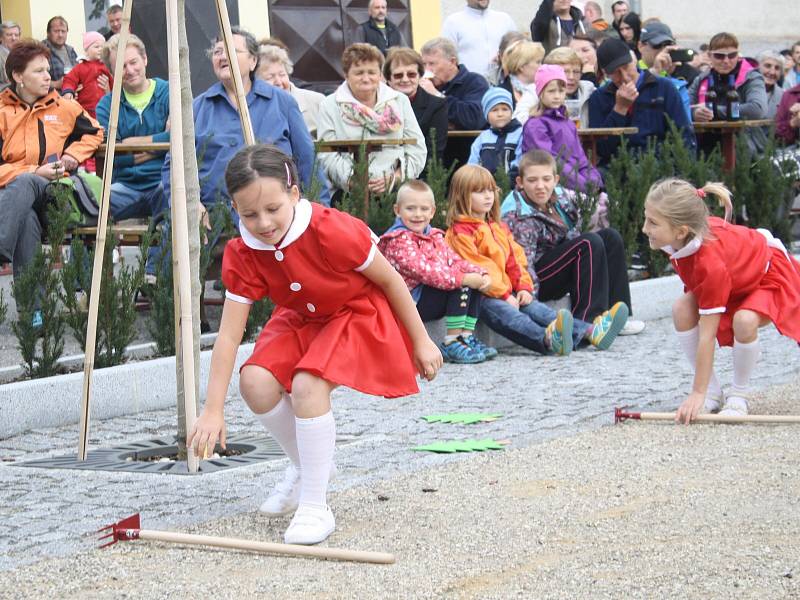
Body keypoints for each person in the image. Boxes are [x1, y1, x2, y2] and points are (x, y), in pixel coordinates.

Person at [188, 144, 442, 545]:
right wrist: (212, 410)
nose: (263, 223)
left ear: (294, 194)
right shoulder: (242, 251)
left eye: (273, 208)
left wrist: (422, 341)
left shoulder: (331, 229)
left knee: (308, 384)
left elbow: (390, 280)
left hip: (354, 310)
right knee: (254, 382)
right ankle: (306, 466)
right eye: (249, 214)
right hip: (301, 317)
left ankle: (315, 504)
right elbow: (228, 335)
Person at [641, 178, 800, 423]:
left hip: (766, 276)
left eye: (652, 222)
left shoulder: (710, 262)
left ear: (681, 231)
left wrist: (696, 391)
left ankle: (738, 395)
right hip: (736, 279)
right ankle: (713, 393)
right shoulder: (678, 238)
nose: (644, 228)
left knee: (744, 321)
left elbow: (707, 334)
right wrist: (703, 393)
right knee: (681, 308)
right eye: (646, 218)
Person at [445, 164, 627, 355]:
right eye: (479, 192)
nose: (488, 196)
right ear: (462, 195)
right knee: (513, 318)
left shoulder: (496, 227)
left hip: (507, 291)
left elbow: (516, 259)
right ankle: (547, 339)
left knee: (539, 310)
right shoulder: (460, 232)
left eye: (491, 190)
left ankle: (591, 331)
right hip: (480, 296)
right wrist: (505, 295)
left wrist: (523, 286)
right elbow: (481, 269)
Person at [163, 27, 325, 212]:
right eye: (217, 52)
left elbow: (308, 162)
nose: (223, 56)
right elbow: (173, 166)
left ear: (253, 61)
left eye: (232, 50)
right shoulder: (197, 109)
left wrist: (317, 211)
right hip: (214, 219)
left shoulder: (282, 103)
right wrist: (191, 207)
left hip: (276, 218)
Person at [0, 40, 103, 324]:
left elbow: (95, 132)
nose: (48, 76)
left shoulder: (63, 105)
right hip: (16, 203)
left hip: (56, 197)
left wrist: (72, 155)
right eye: (39, 71)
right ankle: (35, 313)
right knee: (26, 216)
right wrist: (34, 170)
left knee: (27, 185)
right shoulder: (1, 111)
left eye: (48, 69)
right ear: (18, 77)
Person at [502, 150, 643, 335]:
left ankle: (616, 315)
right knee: (587, 243)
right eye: (532, 180)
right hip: (534, 279)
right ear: (520, 182)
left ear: (556, 179)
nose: (540, 186)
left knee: (610, 237)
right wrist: (532, 306)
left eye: (546, 179)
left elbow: (573, 232)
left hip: (556, 265)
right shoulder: (518, 216)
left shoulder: (559, 197)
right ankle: (587, 323)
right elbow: (523, 266)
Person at [378, 180, 495, 363]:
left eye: (424, 209)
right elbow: (427, 272)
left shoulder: (433, 236)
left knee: (474, 283)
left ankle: (465, 337)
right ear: (397, 210)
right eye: (410, 209)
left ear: (432, 211)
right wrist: (464, 278)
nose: (418, 215)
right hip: (410, 304)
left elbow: (453, 260)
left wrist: (481, 273)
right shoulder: (398, 241)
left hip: (427, 296)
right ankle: (452, 342)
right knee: (462, 284)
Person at [316, 43, 426, 199]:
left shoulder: (399, 101)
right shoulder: (329, 105)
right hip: (348, 192)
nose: (366, 78)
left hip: (396, 191)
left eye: (372, 72)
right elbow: (326, 154)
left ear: (380, 74)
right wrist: (355, 181)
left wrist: (396, 177)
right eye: (359, 72)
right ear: (346, 75)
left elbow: (417, 148)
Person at [96, 34, 170, 228]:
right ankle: (96, 259)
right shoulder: (106, 106)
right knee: (93, 206)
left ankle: (159, 259)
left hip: (163, 180)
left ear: (145, 59)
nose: (129, 70)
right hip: (125, 186)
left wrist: (129, 144)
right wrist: (160, 145)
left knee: (173, 197)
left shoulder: (169, 92)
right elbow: (113, 156)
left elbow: (178, 139)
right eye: (121, 66)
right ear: (112, 72)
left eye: (133, 62)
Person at [587, 38, 696, 166]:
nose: (625, 77)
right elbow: (602, 149)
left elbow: (684, 135)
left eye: (626, 67)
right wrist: (619, 109)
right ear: (606, 73)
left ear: (634, 61)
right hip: (617, 168)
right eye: (615, 72)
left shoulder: (663, 87)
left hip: (660, 164)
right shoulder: (599, 97)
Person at [521, 65, 604, 200]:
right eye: (551, 91)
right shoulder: (535, 125)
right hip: (554, 187)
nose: (557, 96)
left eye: (561, 91)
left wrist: (594, 180)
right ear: (540, 92)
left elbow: (581, 158)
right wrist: (582, 185)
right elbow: (551, 162)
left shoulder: (568, 123)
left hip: (579, 185)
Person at [688, 32, 767, 155]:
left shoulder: (752, 77)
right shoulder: (701, 79)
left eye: (732, 55)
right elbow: (683, 107)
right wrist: (694, 113)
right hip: (705, 149)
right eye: (719, 56)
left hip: (744, 149)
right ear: (709, 55)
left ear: (738, 55)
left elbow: (757, 109)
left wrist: (712, 111)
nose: (726, 61)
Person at [420, 37, 489, 168]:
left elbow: (473, 119)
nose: (427, 70)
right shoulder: (423, 87)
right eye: (424, 64)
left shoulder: (474, 82)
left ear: (452, 62)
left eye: (432, 64)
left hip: (467, 163)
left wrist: (436, 96)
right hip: (432, 164)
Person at [384, 47, 448, 170]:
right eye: (398, 75)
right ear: (388, 79)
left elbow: (434, 153)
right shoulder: (378, 104)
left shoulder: (436, 106)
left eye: (411, 74)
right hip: (382, 175)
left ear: (420, 76)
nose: (405, 79)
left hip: (421, 176)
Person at [256, 44, 324, 138]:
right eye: (270, 77)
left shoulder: (317, 101)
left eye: (282, 74)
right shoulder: (253, 109)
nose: (278, 82)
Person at [441, 0, 517, 79]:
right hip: (470, 86)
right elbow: (447, 58)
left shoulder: (505, 19)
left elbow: (519, 50)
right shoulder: (453, 22)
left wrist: (503, 56)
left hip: (503, 84)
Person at [636, 22, 696, 122]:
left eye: (668, 45)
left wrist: (672, 73)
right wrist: (654, 73)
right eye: (657, 45)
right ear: (640, 46)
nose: (663, 51)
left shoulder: (681, 75)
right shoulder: (631, 71)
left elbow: (684, 123)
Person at [467, 87, 523, 181]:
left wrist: (510, 181)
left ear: (511, 111)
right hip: (486, 187)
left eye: (505, 109)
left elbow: (520, 160)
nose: (500, 114)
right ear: (486, 114)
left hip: (512, 186)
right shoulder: (483, 138)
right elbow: (473, 164)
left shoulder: (520, 134)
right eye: (494, 110)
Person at [540, 46, 595, 127]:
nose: (571, 77)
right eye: (565, 72)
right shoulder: (537, 94)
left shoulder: (589, 91)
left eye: (576, 72)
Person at [62, 32, 113, 118]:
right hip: (85, 110)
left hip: (104, 108)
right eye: (96, 47)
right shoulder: (80, 67)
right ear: (86, 51)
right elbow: (69, 79)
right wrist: (68, 91)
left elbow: (115, 84)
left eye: (103, 47)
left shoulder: (107, 66)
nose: (100, 49)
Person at [498, 40, 544, 115]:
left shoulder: (544, 89)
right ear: (521, 66)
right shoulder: (501, 92)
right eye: (538, 62)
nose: (541, 66)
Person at [41, 16, 77, 92]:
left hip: (71, 95)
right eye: (56, 31)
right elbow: (34, 80)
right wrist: (56, 84)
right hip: (50, 98)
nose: (60, 35)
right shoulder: (40, 50)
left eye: (63, 31)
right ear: (48, 33)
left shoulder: (70, 51)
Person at [757, 50, 785, 119]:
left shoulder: (784, 96)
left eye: (777, 68)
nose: (772, 72)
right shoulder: (742, 92)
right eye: (768, 66)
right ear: (757, 68)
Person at [0, 21, 21, 86]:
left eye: (16, 35)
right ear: (0, 37)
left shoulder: (20, 53)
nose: (13, 38)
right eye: (9, 35)